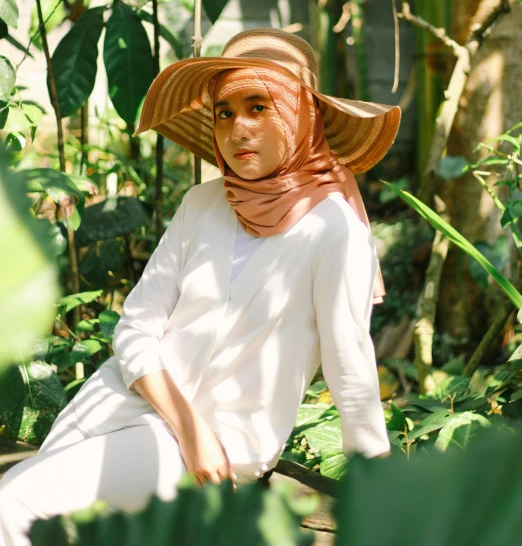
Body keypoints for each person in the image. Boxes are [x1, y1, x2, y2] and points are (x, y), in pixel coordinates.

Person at [0, 28, 401, 545]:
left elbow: (351, 372)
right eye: (226, 112)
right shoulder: (203, 205)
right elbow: (135, 331)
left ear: (303, 114)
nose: (239, 129)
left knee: (15, 505)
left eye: (260, 107)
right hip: (125, 403)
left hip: (224, 445)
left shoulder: (334, 230)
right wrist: (188, 425)